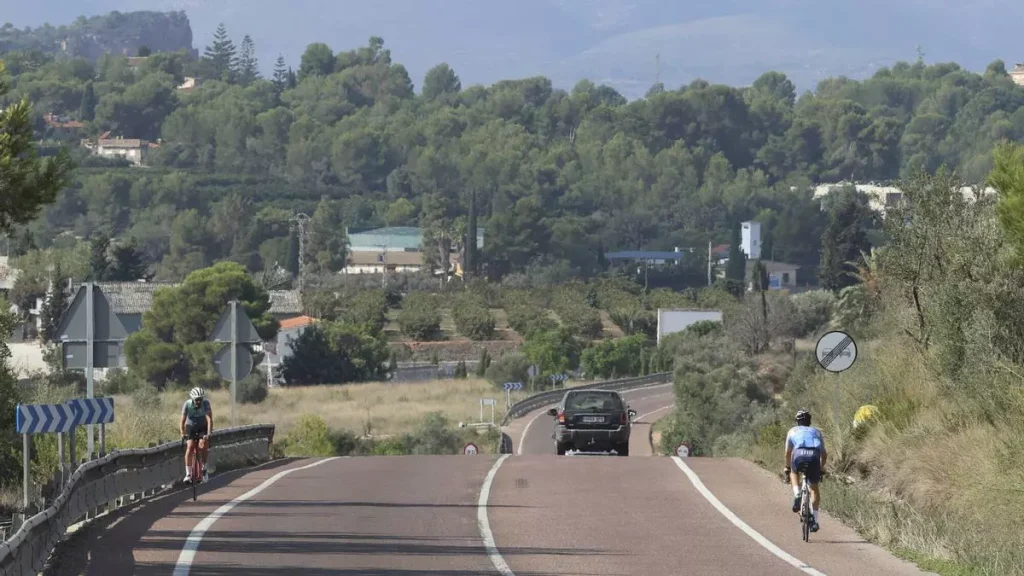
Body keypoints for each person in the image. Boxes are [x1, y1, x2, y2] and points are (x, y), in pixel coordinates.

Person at [783, 409, 827, 532]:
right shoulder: (816, 432)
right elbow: (823, 454)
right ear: (809, 421)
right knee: (814, 489)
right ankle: (815, 522)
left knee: (793, 472)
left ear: (797, 421)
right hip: (813, 456)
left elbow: (787, 452)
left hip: (798, 454)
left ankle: (797, 493)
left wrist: (787, 467)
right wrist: (821, 467)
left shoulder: (792, 431)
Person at [180, 387, 213, 483]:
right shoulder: (187, 404)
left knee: (203, 445)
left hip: (203, 426)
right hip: (191, 427)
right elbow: (182, 421)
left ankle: (204, 468)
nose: (199, 402)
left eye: (200, 399)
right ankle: (188, 474)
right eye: (197, 400)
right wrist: (182, 433)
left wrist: (209, 433)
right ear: (192, 399)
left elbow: (209, 420)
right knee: (189, 447)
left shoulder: (206, 404)